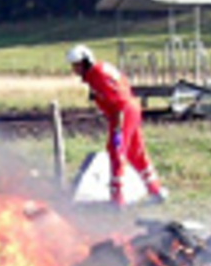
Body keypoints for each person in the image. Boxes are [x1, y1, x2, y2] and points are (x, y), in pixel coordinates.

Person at [67, 44, 167, 207]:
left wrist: (118, 128)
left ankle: (117, 196)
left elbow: (117, 98)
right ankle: (156, 190)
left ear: (86, 62)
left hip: (122, 111)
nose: (75, 69)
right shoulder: (100, 70)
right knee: (136, 152)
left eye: (77, 65)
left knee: (116, 151)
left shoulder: (97, 74)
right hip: (130, 108)